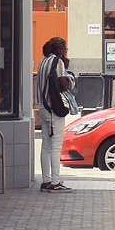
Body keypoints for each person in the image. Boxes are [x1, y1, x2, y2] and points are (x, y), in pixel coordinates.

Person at [35, 37, 73, 193]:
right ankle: (56, 183)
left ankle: (46, 181)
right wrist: (67, 68)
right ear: (59, 50)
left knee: (46, 146)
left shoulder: (42, 62)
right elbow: (63, 85)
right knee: (56, 147)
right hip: (54, 108)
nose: (66, 52)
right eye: (65, 49)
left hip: (43, 107)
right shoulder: (58, 62)